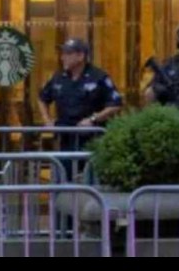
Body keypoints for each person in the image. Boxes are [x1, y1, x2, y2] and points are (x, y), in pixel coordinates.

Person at [38, 38, 123, 181]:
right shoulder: (59, 77)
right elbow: (42, 98)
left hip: (91, 139)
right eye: (62, 53)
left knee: (91, 181)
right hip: (65, 139)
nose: (63, 57)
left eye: (67, 54)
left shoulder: (99, 77)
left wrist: (93, 119)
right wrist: (47, 120)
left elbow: (115, 104)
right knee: (62, 179)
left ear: (80, 56)